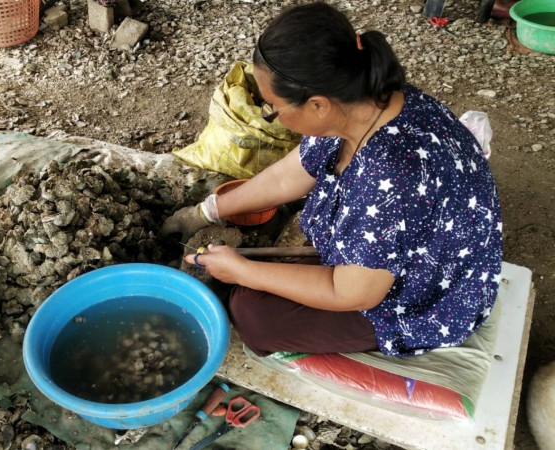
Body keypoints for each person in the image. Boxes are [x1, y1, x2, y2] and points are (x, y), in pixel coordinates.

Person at [161, 2, 502, 358]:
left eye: (273, 109)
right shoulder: (360, 100)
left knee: (253, 315)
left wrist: (244, 272)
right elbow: (286, 177)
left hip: (427, 296)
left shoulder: (392, 175)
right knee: (263, 287)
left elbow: (352, 293)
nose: (273, 118)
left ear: (317, 104)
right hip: (394, 250)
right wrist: (206, 211)